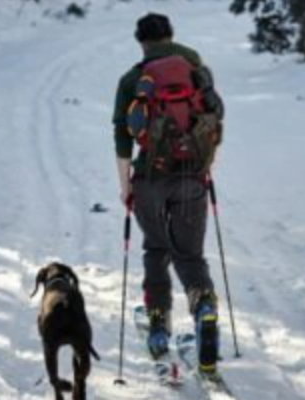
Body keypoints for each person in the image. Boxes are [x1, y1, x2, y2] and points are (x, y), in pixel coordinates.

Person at [112, 13, 224, 373]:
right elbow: (210, 120)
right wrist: (206, 167)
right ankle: (204, 307)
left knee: (157, 248)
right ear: (171, 35)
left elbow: (122, 136)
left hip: (150, 179)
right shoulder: (194, 67)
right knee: (191, 256)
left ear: (140, 41)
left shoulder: (133, 79)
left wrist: (125, 185)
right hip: (192, 175)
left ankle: (159, 326)